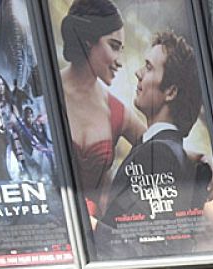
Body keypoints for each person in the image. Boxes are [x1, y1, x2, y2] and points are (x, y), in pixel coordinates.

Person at [99, 31, 213, 232]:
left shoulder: (159, 155)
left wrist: (81, 223)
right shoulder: (159, 148)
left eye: (149, 67)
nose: (138, 72)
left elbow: (133, 238)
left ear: (170, 92)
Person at [57, 0, 144, 211]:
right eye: (114, 47)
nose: (120, 61)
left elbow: (161, 146)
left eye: (121, 50)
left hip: (97, 234)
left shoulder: (117, 112)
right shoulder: (44, 92)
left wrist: (198, 158)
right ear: (87, 40)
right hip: (49, 230)